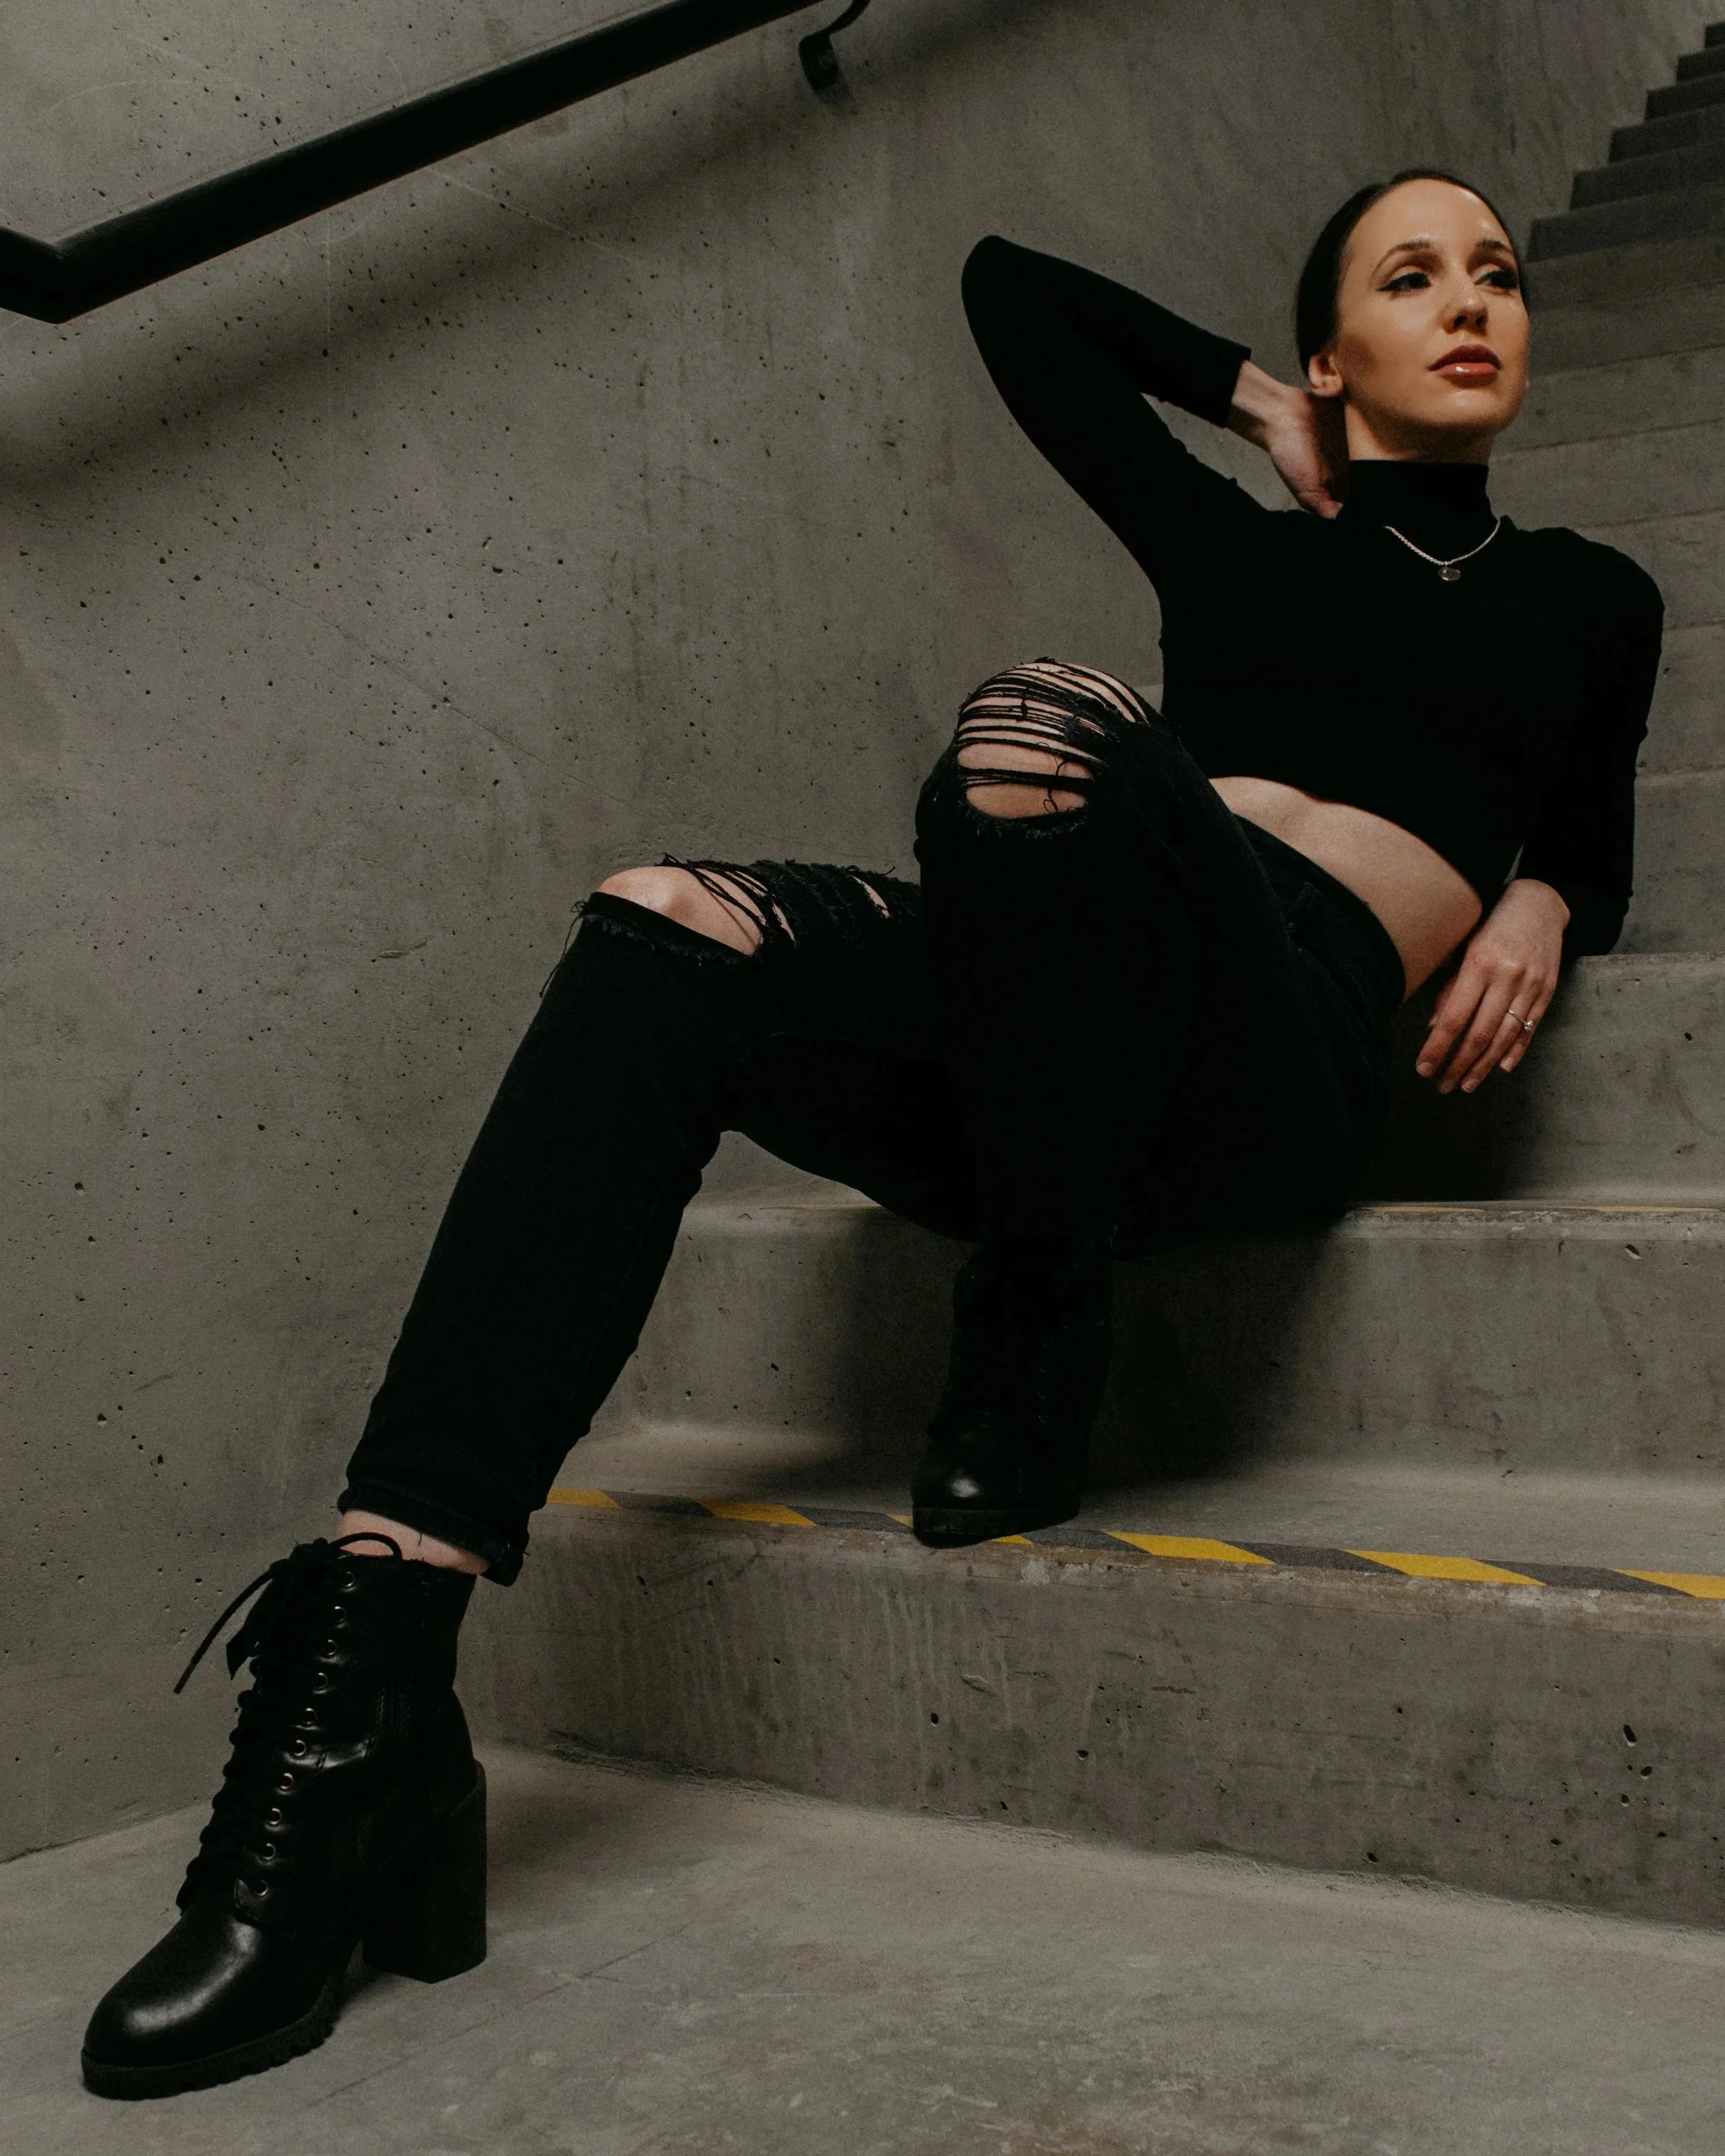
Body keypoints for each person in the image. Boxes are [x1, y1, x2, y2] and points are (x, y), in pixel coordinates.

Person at [81, 170, 1663, 2098]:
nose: (1472, 301)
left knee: (1050, 720)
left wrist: (1543, 901)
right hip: (1066, 1005)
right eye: (1409, 277)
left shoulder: (1594, 590)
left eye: (1497, 272)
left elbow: (1587, 833)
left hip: (1284, 1049)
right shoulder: (1229, 536)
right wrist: (1256, 400)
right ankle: (364, 1698)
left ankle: (1036, 1304)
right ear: (1335, 352)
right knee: (668, 922)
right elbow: (1012, 290)